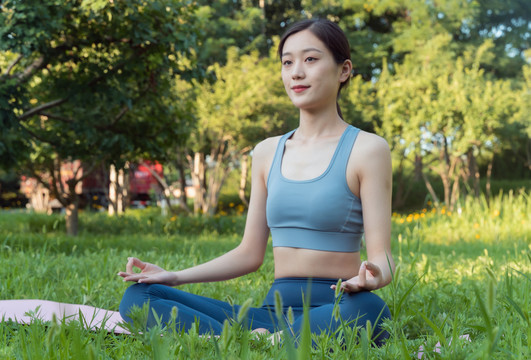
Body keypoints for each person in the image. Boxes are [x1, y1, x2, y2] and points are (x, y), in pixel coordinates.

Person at [118, 18, 394, 346]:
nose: (296, 72)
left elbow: (383, 258)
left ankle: (246, 342)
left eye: (310, 59)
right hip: (270, 314)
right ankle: (269, 340)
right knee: (139, 297)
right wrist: (173, 276)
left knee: (370, 310)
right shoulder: (266, 152)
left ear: (344, 70)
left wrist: (373, 277)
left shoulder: (368, 149)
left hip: (337, 304)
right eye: (287, 62)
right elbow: (250, 253)